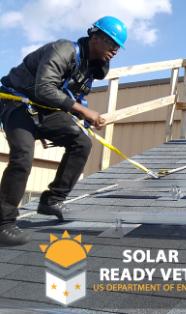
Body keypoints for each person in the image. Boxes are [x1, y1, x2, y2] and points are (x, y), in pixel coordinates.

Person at [0, 16, 127, 246]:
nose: (115, 51)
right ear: (95, 37)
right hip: (17, 104)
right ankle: (3, 224)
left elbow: (72, 95)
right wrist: (82, 111)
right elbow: (44, 87)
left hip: (45, 110)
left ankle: (52, 200)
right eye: (112, 43)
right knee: (22, 158)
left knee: (82, 142)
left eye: (118, 47)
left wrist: (80, 113)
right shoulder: (63, 50)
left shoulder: (91, 67)